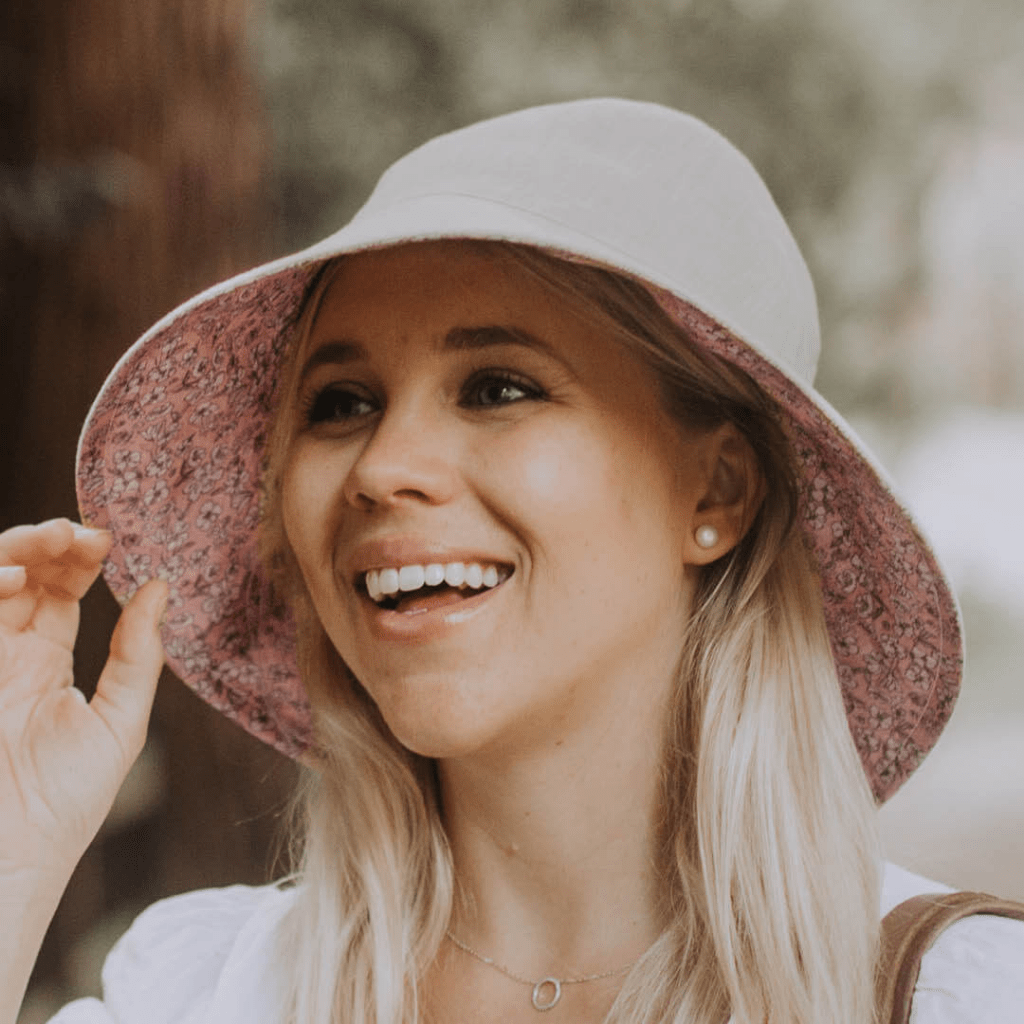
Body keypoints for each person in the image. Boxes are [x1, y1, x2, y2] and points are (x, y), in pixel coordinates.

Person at [2, 98, 1021, 1024]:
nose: (382, 467)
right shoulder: (210, 994)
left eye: (497, 387)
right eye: (340, 403)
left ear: (715, 493)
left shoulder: (952, 998)